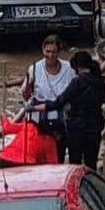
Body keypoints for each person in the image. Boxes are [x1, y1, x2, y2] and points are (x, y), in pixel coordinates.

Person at [22, 34, 77, 163]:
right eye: (48, 51)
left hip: (62, 119)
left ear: (59, 52)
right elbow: (26, 96)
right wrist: (29, 85)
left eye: (54, 52)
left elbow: (76, 91)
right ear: (43, 50)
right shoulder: (35, 68)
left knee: (59, 153)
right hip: (40, 121)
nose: (51, 55)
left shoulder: (69, 68)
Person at [54, 51, 105, 168]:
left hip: (77, 128)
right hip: (95, 125)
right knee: (91, 162)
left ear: (77, 67)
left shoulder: (77, 82)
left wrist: (45, 105)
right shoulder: (102, 81)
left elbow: (61, 100)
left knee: (75, 164)